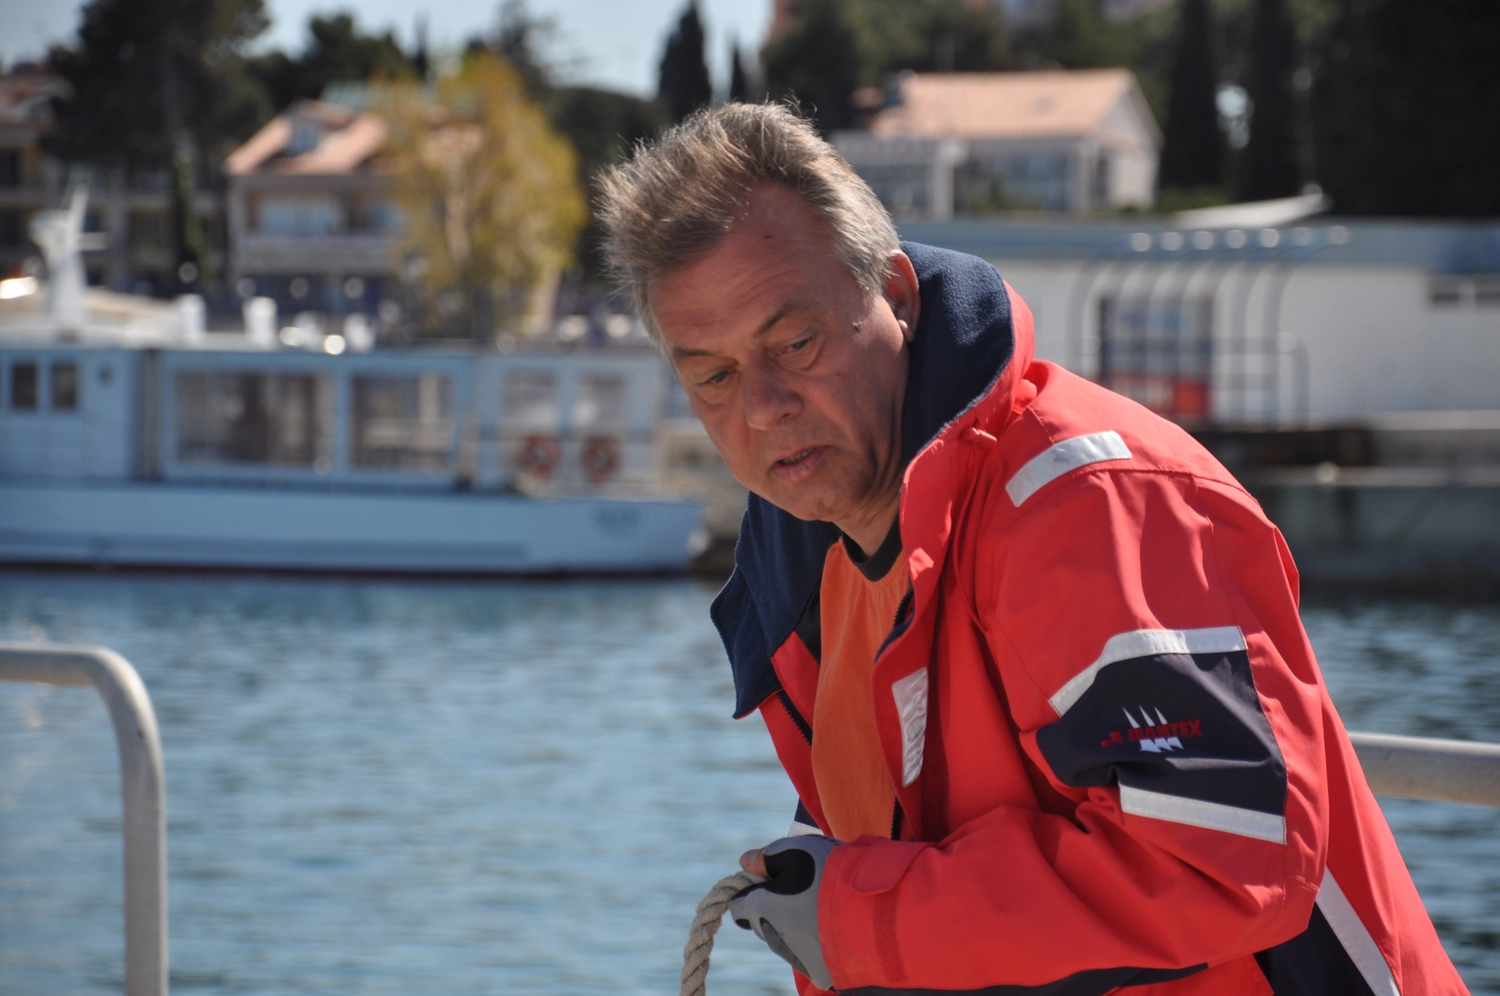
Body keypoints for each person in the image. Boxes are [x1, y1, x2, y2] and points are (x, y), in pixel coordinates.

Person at [598, 103, 1466, 996]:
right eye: (713, 375)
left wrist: (859, 921)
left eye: (796, 341)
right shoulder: (810, 567)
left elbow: (1224, 869)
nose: (764, 404)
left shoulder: (1089, 506)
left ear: (894, 297)